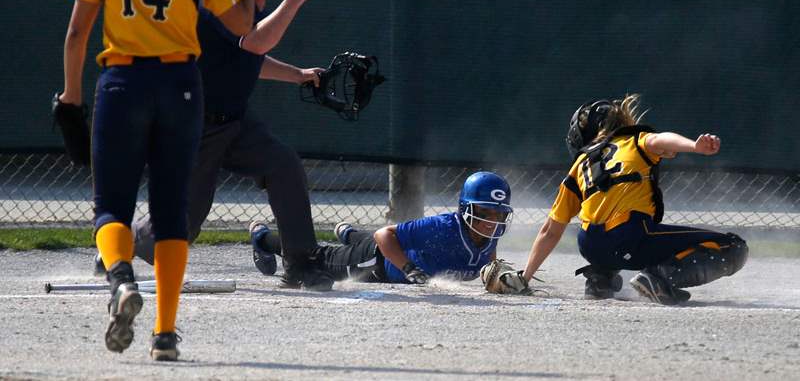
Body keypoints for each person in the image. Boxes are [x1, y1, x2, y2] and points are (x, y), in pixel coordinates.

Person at [60, 0, 254, 360]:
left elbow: (79, 33)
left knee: (111, 207)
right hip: (180, 86)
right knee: (171, 213)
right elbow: (243, 25)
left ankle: (121, 278)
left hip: (122, 82)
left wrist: (71, 98)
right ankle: (164, 336)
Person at [95, 0, 334, 291]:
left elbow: (251, 58)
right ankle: (118, 244)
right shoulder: (221, 7)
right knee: (183, 223)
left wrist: (297, 74)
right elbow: (255, 44)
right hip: (196, 127)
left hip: (236, 122)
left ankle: (301, 264)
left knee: (283, 164)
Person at [519, 94, 748, 305]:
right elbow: (661, 139)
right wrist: (694, 146)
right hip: (629, 238)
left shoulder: (580, 164)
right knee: (734, 246)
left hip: (589, 245)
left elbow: (550, 230)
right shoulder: (635, 140)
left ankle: (601, 279)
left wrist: (525, 277)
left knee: (609, 234)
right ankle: (660, 278)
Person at [250, 171, 513, 284]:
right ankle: (263, 238)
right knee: (314, 259)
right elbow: (383, 234)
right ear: (466, 208)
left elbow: (486, 264)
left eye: (498, 215)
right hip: (377, 262)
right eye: (483, 212)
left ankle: (349, 234)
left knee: (356, 244)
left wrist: (498, 276)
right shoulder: (443, 228)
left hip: (389, 259)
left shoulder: (487, 235)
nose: (491, 222)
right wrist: (408, 268)